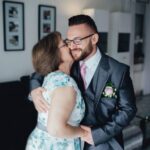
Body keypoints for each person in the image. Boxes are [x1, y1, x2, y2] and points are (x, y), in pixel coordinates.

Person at [30, 15, 137, 150]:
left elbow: (128, 109)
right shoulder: (68, 62)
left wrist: (98, 135)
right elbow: (39, 72)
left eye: (77, 40)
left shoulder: (118, 71)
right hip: (68, 140)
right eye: (69, 41)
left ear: (94, 39)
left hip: (102, 141)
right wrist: (34, 91)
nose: (72, 46)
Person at [26, 31, 85, 150]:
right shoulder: (64, 83)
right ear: (55, 54)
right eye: (64, 44)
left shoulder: (51, 77)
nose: (70, 45)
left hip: (41, 142)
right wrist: (83, 132)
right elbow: (56, 128)